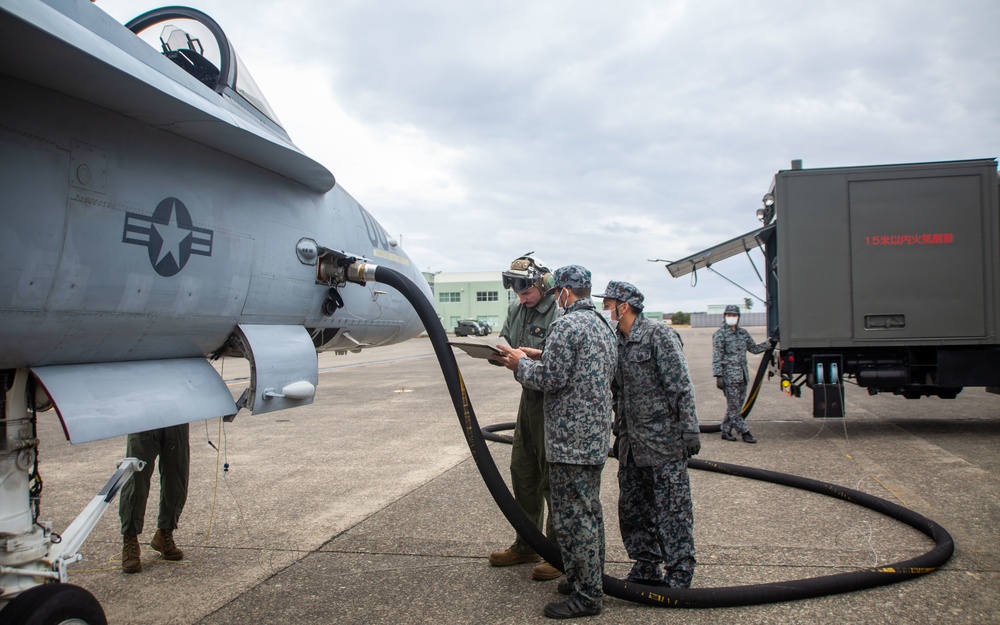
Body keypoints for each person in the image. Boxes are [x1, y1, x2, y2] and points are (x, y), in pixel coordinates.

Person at [495, 265, 617, 619]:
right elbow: (577, 368)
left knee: (573, 518)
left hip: (568, 439)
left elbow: (551, 378)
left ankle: (587, 596)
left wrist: (520, 364)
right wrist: (536, 355)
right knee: (590, 513)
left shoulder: (565, 324)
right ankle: (584, 578)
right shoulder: (601, 325)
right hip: (592, 437)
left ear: (561, 291)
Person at [600, 280, 700, 588]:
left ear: (624, 306)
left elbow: (680, 385)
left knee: (672, 510)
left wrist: (689, 429)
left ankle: (680, 572)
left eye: (607, 303)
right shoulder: (614, 341)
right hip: (631, 444)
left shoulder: (659, 335)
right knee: (633, 509)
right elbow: (616, 391)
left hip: (664, 443)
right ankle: (646, 565)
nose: (605, 309)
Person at [487, 255, 563, 581]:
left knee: (552, 477)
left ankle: (558, 553)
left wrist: (528, 360)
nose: (521, 296)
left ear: (543, 284)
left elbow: (560, 364)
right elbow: (508, 345)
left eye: (527, 289)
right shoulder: (517, 311)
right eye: (516, 290)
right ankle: (527, 543)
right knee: (522, 469)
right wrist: (496, 355)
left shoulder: (559, 314)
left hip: (553, 402)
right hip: (527, 397)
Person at [119, 424, 190, 573]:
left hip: (176, 414)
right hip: (144, 414)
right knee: (136, 480)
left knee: (177, 475)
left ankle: (165, 532)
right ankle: (130, 538)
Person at [712, 304, 772, 444]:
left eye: (734, 315)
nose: (731, 317)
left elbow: (754, 349)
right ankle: (745, 432)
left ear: (738, 317)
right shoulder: (720, 335)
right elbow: (717, 357)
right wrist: (718, 376)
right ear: (725, 316)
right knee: (734, 408)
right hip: (729, 377)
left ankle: (725, 431)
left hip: (743, 376)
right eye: (729, 315)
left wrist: (770, 343)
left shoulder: (743, 333)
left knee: (736, 407)